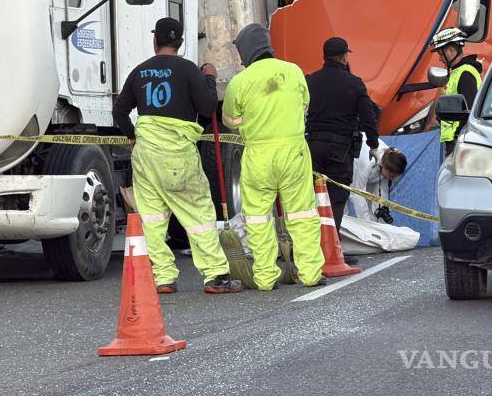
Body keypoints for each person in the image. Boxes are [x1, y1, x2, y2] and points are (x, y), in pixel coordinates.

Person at [112, 17, 242, 295]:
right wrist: (208, 78)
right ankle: (215, 276)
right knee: (198, 215)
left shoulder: (140, 71)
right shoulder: (187, 70)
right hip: (178, 154)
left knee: (153, 218)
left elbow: (119, 111)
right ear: (181, 42)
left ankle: (163, 278)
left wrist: (133, 137)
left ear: (155, 40)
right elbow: (207, 109)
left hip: (146, 156)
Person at [223, 23, 325, 291]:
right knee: (302, 213)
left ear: (246, 52)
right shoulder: (293, 72)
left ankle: (266, 277)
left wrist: (252, 120)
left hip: (257, 155)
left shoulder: (239, 82)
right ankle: (311, 274)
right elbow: (304, 105)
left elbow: (231, 120)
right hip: (293, 152)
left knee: (257, 217)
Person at [305, 37, 380, 254]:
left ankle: (310, 249)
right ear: (345, 56)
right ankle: (331, 251)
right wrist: (374, 146)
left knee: (313, 196)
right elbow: (368, 118)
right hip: (340, 148)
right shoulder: (354, 83)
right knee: (337, 198)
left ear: (324, 56)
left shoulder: (311, 81)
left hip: (314, 146)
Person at [430, 27, 483, 156]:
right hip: (454, 140)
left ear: (451, 50)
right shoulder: (456, 72)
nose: (440, 59)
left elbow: (468, 111)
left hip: (459, 142)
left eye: (442, 54)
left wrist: (457, 137)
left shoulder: (465, 74)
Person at [351, 148, 407, 223]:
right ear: (383, 165)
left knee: (379, 204)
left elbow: (382, 195)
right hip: (353, 174)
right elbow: (358, 194)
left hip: (375, 176)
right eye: (391, 176)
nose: (393, 178)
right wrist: (366, 222)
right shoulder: (368, 165)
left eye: (396, 176)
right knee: (346, 207)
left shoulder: (394, 160)